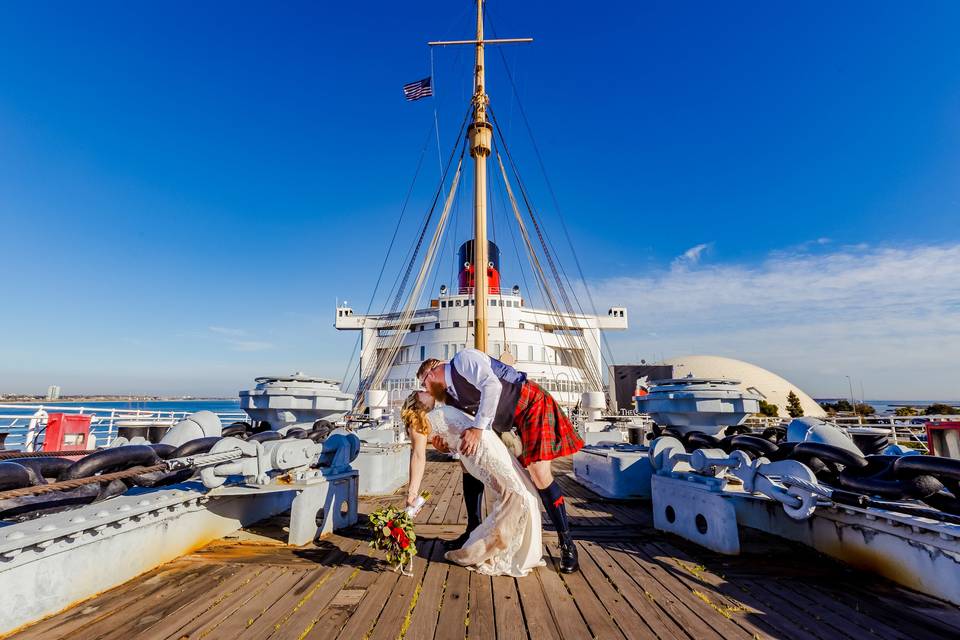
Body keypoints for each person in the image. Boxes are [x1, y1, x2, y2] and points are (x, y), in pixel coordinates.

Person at [416, 348, 584, 573]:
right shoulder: (451, 398)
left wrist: (477, 428)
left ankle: (567, 543)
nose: (425, 389)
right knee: (467, 463)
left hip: (530, 404)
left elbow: (492, 386)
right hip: (504, 423)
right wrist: (446, 447)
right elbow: (462, 431)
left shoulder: (463, 360)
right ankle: (472, 530)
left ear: (432, 372)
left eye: (423, 383)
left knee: (539, 474)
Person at [401, 391, 545, 577]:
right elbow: (419, 456)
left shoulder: (435, 414)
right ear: (414, 403)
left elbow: (451, 435)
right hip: (480, 451)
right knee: (515, 495)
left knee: (523, 492)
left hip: (487, 442)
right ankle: (486, 550)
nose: (425, 390)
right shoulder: (417, 421)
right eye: (420, 392)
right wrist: (412, 493)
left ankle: (512, 548)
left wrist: (444, 447)